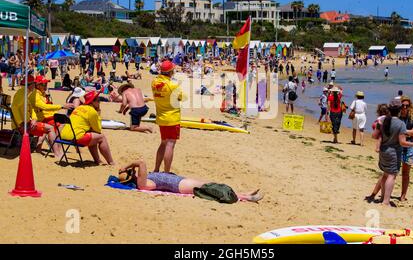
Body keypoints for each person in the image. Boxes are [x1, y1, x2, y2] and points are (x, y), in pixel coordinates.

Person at [117, 160, 264, 202]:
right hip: (178, 185)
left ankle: (243, 194)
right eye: (132, 172)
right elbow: (141, 162)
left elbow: (140, 166)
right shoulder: (142, 185)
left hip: (178, 181)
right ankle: (248, 197)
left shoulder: (142, 180)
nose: (135, 172)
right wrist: (126, 166)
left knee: (212, 185)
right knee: (212, 188)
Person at [372, 99, 413, 207]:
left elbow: (374, 136)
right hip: (393, 152)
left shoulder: (384, 120)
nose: (404, 108)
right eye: (402, 106)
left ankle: (382, 198)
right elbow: (402, 142)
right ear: (399, 109)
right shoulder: (400, 123)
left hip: (383, 151)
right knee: (391, 176)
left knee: (385, 174)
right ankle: (386, 201)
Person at [11, 75, 64, 159]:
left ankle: (51, 150)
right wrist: (20, 122)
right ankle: (57, 153)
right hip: (23, 125)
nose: (45, 86)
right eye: (43, 84)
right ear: (31, 84)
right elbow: (14, 108)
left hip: (29, 122)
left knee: (51, 127)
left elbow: (31, 109)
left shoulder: (26, 93)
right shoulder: (22, 94)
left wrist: (34, 119)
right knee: (50, 128)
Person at [60, 91, 115, 165]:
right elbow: (98, 130)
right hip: (76, 137)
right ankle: (111, 162)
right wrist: (98, 113)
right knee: (101, 137)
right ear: (92, 102)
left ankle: (97, 160)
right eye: (97, 100)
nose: (99, 101)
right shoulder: (92, 111)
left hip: (64, 135)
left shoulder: (79, 108)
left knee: (93, 136)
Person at [151, 61, 185, 173]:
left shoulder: (154, 82)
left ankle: (156, 169)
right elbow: (183, 97)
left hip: (161, 117)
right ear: (171, 71)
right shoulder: (172, 85)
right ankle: (166, 172)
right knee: (170, 145)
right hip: (172, 118)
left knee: (163, 143)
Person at [399, 96, 413, 202]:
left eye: (407, 105)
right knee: (392, 171)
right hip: (398, 146)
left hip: (410, 147)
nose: (405, 107)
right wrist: (408, 132)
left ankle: (403, 195)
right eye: (403, 105)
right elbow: (396, 132)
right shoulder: (397, 118)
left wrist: (404, 132)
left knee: (406, 173)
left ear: (410, 107)